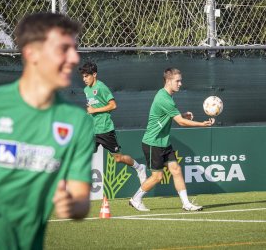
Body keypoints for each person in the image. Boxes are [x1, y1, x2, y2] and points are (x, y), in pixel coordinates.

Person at [0, 12, 94, 248]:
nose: (74, 58)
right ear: (31, 53)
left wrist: (73, 205)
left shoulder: (78, 122)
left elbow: (81, 197)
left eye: (75, 48)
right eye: (63, 48)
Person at [129, 68, 215, 212]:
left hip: (164, 142)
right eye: (178, 81)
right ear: (168, 81)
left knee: (176, 170)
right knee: (157, 177)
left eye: (180, 80)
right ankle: (135, 199)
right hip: (153, 143)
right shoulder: (164, 98)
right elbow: (180, 122)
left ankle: (186, 203)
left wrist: (181, 114)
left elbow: (168, 116)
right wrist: (202, 124)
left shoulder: (167, 97)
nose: (180, 83)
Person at [78, 62, 147, 184]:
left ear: (94, 74)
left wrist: (95, 110)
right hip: (92, 130)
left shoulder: (101, 87)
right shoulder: (86, 90)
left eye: (87, 76)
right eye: (83, 76)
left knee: (118, 158)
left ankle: (139, 167)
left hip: (105, 130)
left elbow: (113, 105)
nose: (84, 79)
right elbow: (92, 106)